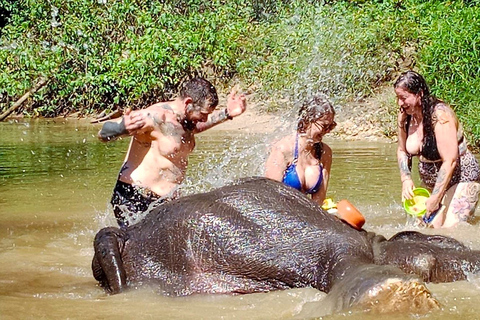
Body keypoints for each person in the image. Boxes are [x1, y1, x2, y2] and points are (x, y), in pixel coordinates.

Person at [98, 77, 247, 228]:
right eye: (203, 113)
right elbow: (103, 133)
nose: (204, 118)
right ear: (188, 103)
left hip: (164, 202)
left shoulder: (186, 121)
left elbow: (196, 127)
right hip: (135, 197)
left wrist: (227, 113)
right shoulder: (153, 117)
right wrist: (121, 128)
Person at [395, 70, 480, 228]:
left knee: (450, 230)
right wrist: (405, 178)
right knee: (425, 230)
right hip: (431, 180)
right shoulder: (405, 116)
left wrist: (435, 197)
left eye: (404, 98)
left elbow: (450, 161)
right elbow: (402, 150)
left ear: (419, 94)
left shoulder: (440, 116)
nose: (400, 103)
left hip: (461, 176)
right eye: (398, 98)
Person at [265, 95, 336, 206]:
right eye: (324, 126)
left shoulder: (325, 153)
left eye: (331, 126)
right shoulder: (283, 149)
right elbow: (270, 198)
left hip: (303, 214)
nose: (327, 131)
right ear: (308, 120)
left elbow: (318, 203)